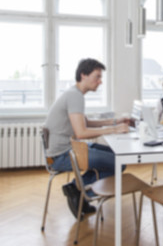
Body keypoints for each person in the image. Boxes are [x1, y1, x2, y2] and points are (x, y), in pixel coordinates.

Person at [44, 58, 130, 218]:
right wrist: (114, 130)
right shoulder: (75, 96)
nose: (100, 81)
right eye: (97, 76)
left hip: (70, 149)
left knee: (118, 157)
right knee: (120, 164)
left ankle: (77, 190)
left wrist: (114, 122)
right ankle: (77, 189)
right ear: (83, 75)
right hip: (62, 155)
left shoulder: (73, 93)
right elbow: (81, 133)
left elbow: (86, 122)